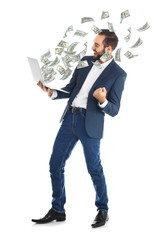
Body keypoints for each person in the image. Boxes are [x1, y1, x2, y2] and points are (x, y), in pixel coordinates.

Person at [32, 29, 127, 228]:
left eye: (97, 45)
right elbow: (71, 88)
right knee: (55, 164)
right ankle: (58, 209)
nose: (92, 47)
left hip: (90, 124)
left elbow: (115, 109)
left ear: (108, 49)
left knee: (94, 168)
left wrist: (102, 101)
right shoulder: (85, 61)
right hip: (70, 119)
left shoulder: (118, 74)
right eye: (93, 44)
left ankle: (103, 210)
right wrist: (52, 92)